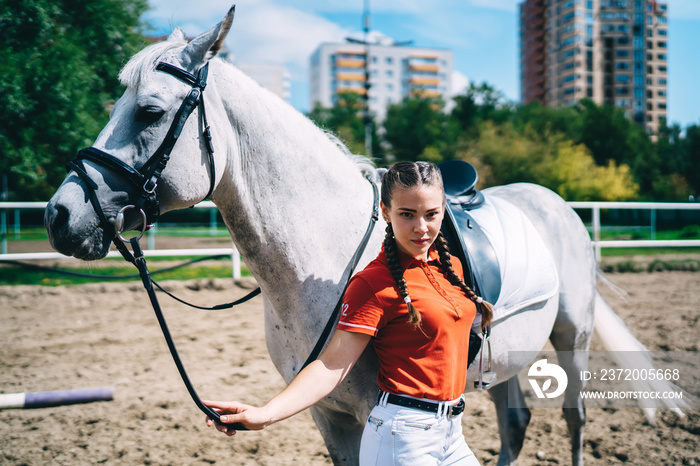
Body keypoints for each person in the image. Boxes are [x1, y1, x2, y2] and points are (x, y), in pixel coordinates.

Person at [204, 161, 493, 465]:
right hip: (403, 437)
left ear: (443, 211)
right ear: (385, 212)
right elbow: (332, 366)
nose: (421, 228)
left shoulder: (451, 268)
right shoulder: (374, 283)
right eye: (407, 214)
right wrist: (266, 413)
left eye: (431, 214)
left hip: (452, 431)